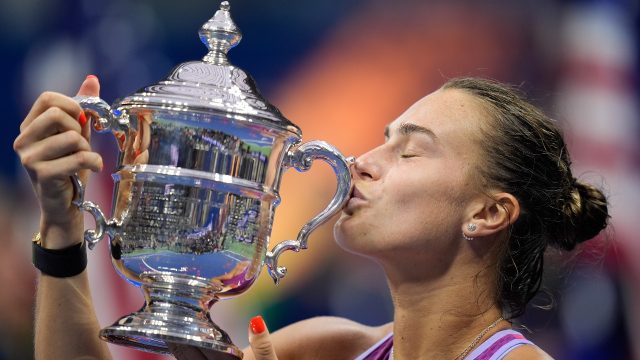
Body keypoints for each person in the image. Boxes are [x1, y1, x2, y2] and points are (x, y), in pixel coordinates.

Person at [13, 75, 609, 360]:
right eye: (380, 140)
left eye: (410, 150)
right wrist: (62, 228)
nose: (361, 163)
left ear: (487, 213)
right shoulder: (326, 349)